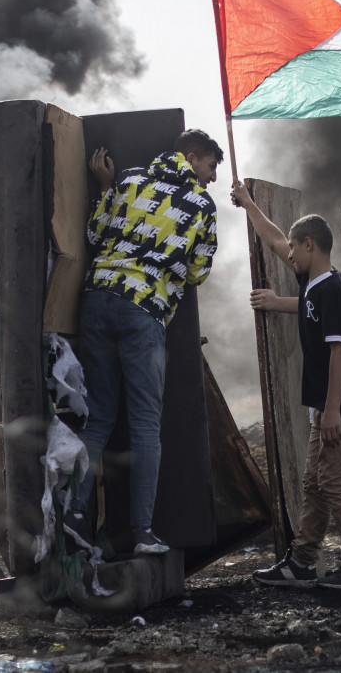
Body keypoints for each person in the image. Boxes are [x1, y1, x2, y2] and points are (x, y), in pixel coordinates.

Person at [65, 129, 223, 558]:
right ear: (192, 157)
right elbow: (197, 274)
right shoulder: (202, 205)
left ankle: (76, 513)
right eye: (211, 167)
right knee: (145, 428)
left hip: (96, 302)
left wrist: (103, 188)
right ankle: (142, 532)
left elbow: (95, 235)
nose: (212, 179)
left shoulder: (130, 179)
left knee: (97, 419)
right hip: (143, 309)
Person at [233, 180, 341, 589]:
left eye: (295, 249)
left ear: (310, 247)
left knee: (333, 480)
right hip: (329, 403)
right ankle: (301, 561)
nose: (289, 254)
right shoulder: (312, 283)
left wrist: (332, 409)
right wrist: (248, 204)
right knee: (314, 481)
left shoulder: (333, 292)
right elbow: (275, 237)